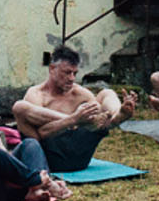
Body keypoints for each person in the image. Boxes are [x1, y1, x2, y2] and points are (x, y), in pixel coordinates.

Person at [11, 45, 137, 173]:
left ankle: (118, 116)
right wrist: (74, 120)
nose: (72, 78)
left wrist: (110, 116)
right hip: (48, 159)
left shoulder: (80, 93)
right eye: (67, 72)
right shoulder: (36, 95)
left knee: (107, 93)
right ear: (52, 69)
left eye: (74, 73)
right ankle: (77, 119)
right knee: (19, 106)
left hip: (78, 157)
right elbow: (41, 134)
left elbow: (97, 120)